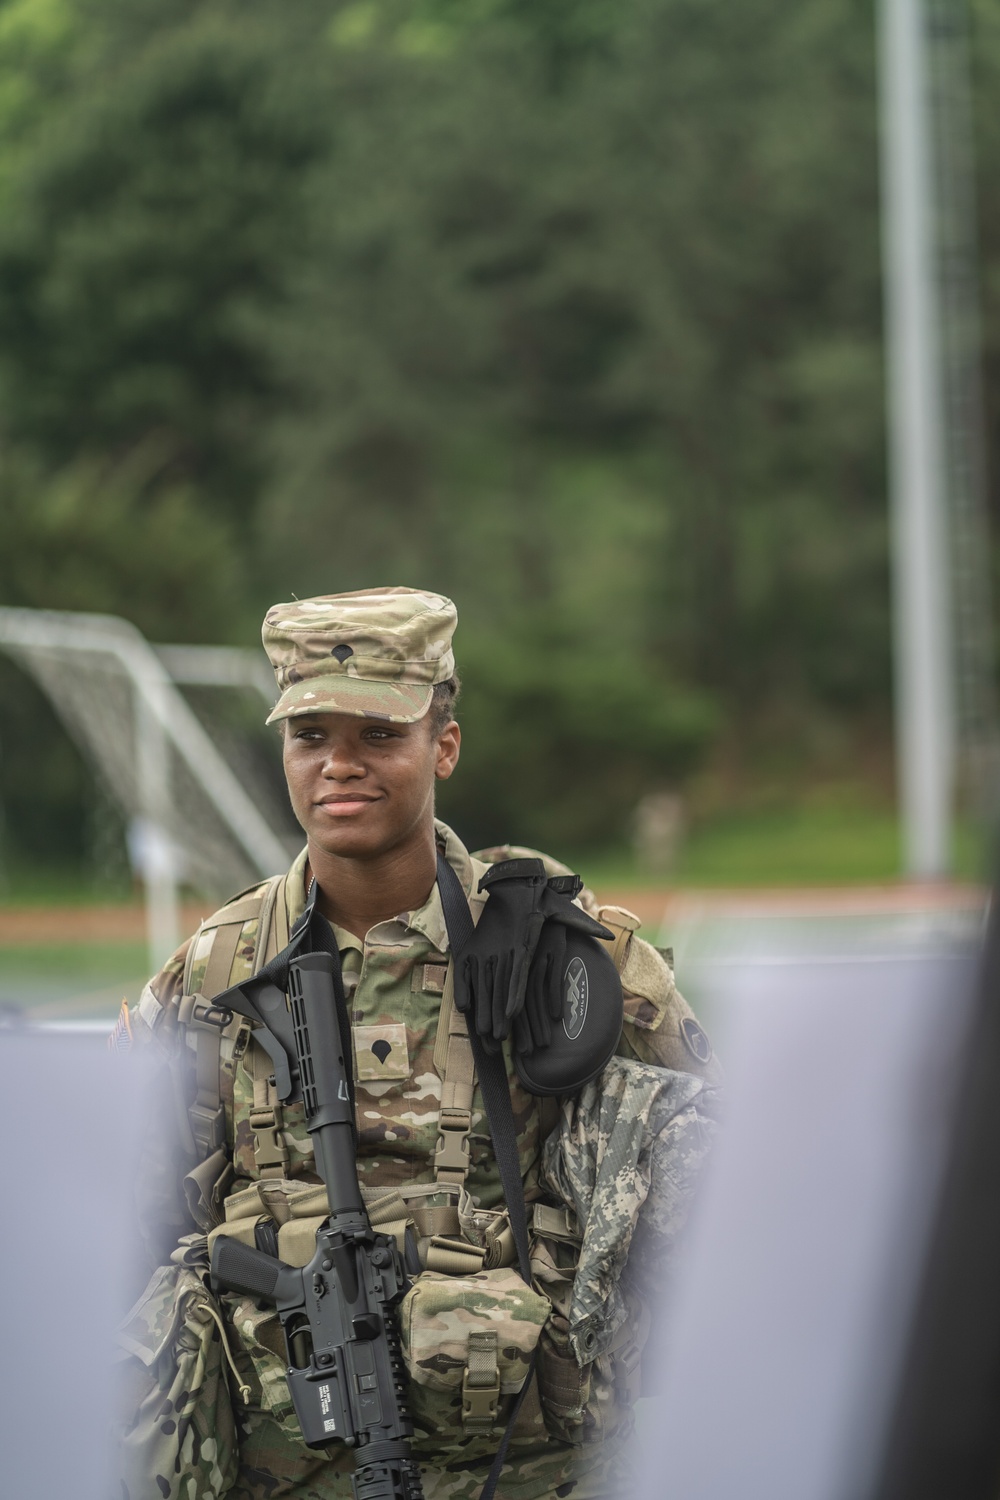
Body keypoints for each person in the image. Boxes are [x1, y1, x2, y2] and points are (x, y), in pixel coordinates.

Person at [121, 586, 721, 1500]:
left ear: (443, 744)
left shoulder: (572, 961)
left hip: (522, 1474)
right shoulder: (213, 975)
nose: (339, 766)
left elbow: (725, 1196)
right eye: (310, 736)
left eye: (378, 736)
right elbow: (128, 1223)